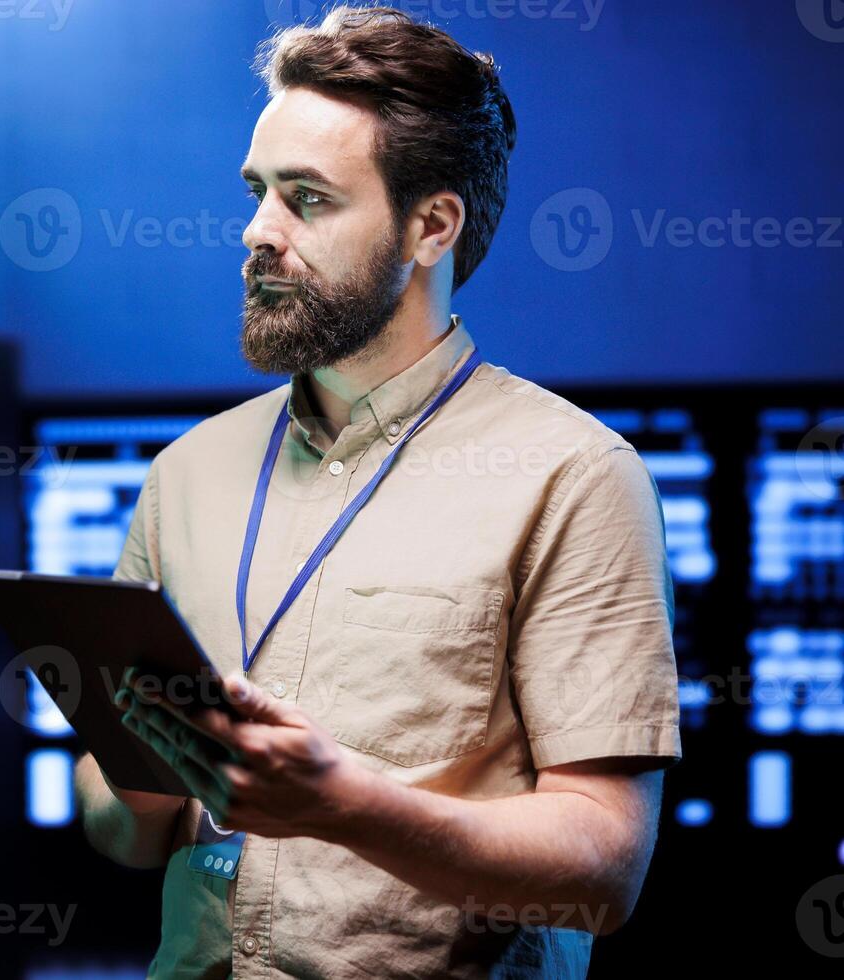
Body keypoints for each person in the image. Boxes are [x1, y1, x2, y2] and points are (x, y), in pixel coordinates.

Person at [72, 7, 681, 977]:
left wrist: (343, 804)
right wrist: (149, 774)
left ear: (431, 224)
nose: (257, 232)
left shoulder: (574, 476)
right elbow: (121, 824)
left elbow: (604, 869)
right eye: (257, 192)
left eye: (306, 199)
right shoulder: (183, 475)